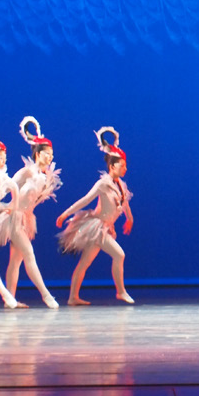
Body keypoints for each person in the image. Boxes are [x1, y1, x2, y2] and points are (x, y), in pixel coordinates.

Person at [55, 127, 135, 305]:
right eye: (122, 165)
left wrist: (130, 219)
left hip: (106, 228)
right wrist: (65, 214)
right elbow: (85, 200)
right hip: (97, 228)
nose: (125, 169)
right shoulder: (103, 184)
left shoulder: (120, 185)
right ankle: (121, 291)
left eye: (125, 165)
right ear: (112, 166)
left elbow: (125, 203)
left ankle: (72, 297)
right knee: (119, 255)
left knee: (84, 263)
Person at [0, 116, 61, 308]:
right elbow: (6, 188)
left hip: (26, 219)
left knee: (16, 260)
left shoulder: (46, 177)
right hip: (13, 218)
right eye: (47, 154)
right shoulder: (27, 172)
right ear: (38, 154)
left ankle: (10, 299)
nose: (50, 157)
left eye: (52, 154)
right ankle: (46, 295)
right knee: (29, 253)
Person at [0, 123, 19, 308]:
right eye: (0, 157)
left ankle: (5, 293)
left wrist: (12, 206)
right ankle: (5, 293)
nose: (4, 160)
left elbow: (14, 187)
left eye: (5, 157)